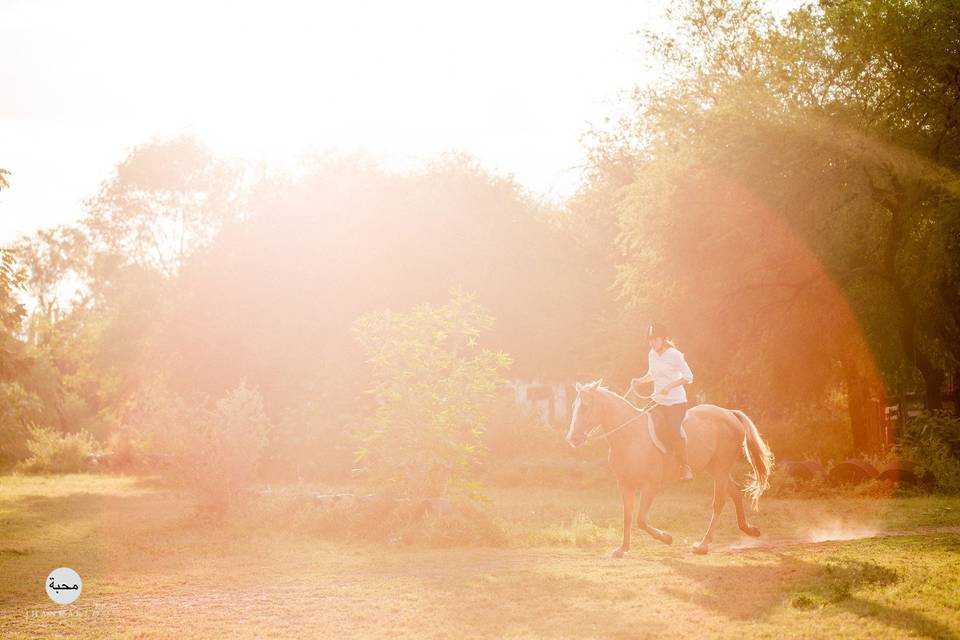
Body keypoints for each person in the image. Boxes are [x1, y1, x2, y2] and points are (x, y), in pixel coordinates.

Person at [630, 322, 695, 481]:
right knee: (641, 423)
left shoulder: (675, 355)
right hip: (657, 400)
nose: (652, 343)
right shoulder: (652, 354)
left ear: (663, 339)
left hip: (676, 402)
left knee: (674, 430)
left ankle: (685, 467)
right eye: (650, 340)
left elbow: (689, 377)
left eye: (655, 339)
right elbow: (653, 374)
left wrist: (670, 386)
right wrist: (640, 380)